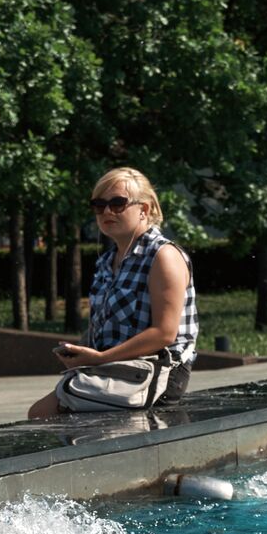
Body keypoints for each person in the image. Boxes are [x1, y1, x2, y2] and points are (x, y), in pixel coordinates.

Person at [28, 167, 198, 418]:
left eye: (118, 203)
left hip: (157, 373)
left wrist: (99, 358)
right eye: (99, 205)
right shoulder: (107, 261)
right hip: (114, 368)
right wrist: (81, 351)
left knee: (45, 413)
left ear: (145, 209)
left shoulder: (162, 256)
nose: (107, 211)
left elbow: (164, 333)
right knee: (43, 413)